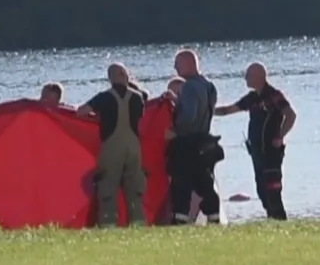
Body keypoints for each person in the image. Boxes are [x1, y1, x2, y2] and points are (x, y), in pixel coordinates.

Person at [214, 62, 297, 220]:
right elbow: (227, 111)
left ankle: (280, 219)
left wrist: (280, 136)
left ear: (259, 76)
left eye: (248, 75)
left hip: (271, 151)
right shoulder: (252, 98)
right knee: (262, 189)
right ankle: (271, 218)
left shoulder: (274, 95)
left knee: (273, 188)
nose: (245, 78)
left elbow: (291, 115)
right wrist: (207, 110)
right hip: (257, 152)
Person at [79, 63, 149, 226]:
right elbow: (140, 117)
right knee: (134, 186)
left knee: (108, 184)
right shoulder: (138, 97)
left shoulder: (104, 97)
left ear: (110, 78)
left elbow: (81, 111)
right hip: (133, 146)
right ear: (125, 75)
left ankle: (109, 222)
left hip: (112, 145)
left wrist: (96, 117)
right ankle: (138, 222)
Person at [165, 49, 223, 225]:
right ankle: (214, 216)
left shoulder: (189, 86)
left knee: (181, 183)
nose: (175, 68)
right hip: (203, 140)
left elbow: (189, 115)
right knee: (204, 182)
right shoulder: (209, 86)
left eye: (177, 64)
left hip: (187, 143)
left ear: (187, 63)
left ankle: (180, 218)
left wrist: (175, 131)